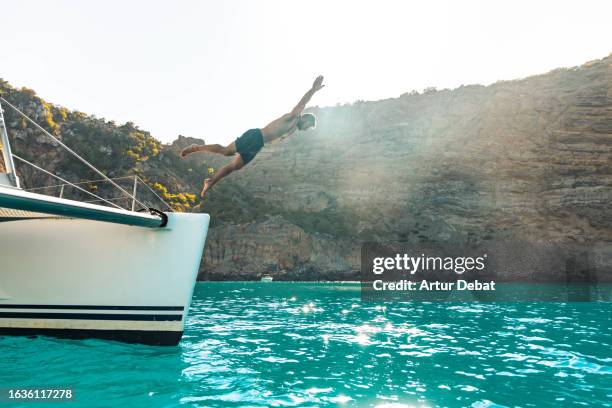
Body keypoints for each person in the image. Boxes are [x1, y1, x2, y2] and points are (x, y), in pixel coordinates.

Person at [181, 75, 325, 196]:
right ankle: (196, 148)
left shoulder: (293, 128)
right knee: (226, 152)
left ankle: (210, 181)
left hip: (258, 145)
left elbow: (277, 138)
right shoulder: (294, 117)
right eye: (308, 127)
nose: (306, 130)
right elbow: (302, 102)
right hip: (255, 136)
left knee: (234, 167)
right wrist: (313, 90)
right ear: (305, 119)